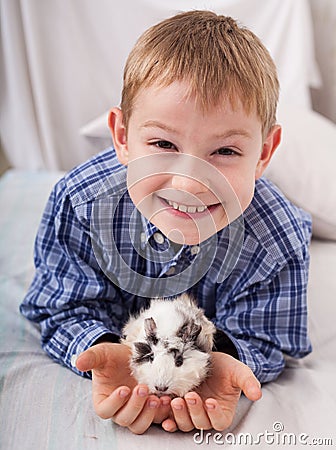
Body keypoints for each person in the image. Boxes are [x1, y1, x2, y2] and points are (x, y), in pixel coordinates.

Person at [20, 10, 312, 435]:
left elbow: (269, 339)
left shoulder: (278, 238)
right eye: (162, 144)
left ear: (265, 154)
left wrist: (217, 362)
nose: (189, 182)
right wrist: (106, 350)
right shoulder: (81, 203)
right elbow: (61, 307)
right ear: (122, 137)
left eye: (225, 151)